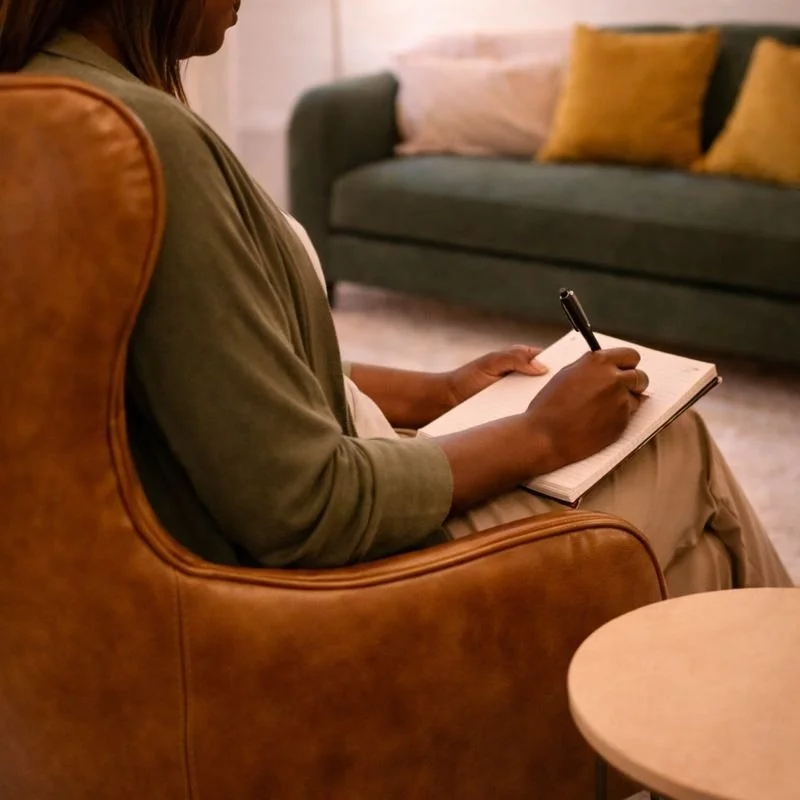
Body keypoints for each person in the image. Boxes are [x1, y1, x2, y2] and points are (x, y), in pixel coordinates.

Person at [3, 0, 792, 594]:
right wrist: (540, 435)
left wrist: (439, 391)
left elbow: (218, 387)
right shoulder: (150, 144)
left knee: (694, 577)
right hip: (319, 591)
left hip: (252, 547)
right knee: (677, 446)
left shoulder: (49, 100)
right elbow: (306, 505)